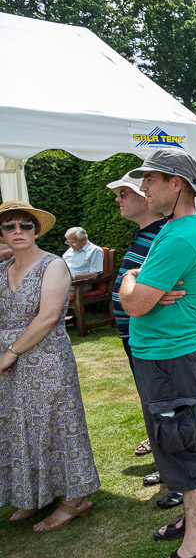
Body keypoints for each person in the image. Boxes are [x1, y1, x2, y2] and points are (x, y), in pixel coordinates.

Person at [119, 149, 196, 557]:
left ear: (176, 184)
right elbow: (144, 294)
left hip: (170, 358)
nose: (142, 187)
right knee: (187, 441)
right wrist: (139, 283)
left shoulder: (179, 235)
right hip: (168, 357)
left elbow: (136, 303)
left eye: (150, 179)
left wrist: (129, 280)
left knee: (187, 448)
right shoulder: (175, 228)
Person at [0, 200, 101, 531]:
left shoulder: (53, 265)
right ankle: (37, 495)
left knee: (57, 424)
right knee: (21, 428)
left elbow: (48, 316)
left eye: (25, 226)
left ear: (36, 230)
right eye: (9, 227)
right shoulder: (2, 270)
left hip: (45, 360)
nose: (18, 231)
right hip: (8, 362)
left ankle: (75, 499)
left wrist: (11, 352)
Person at [106, 172, 183, 508]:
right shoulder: (146, 235)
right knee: (154, 408)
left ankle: (181, 480)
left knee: (170, 411)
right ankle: (168, 470)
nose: (119, 200)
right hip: (138, 339)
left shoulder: (162, 238)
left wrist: (132, 285)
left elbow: (150, 295)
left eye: (125, 193)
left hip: (158, 342)